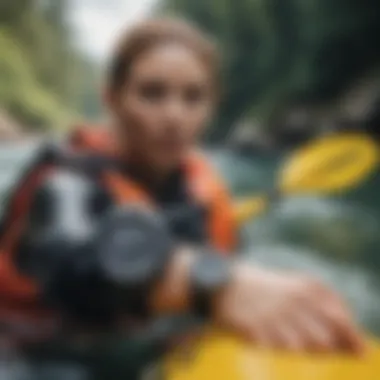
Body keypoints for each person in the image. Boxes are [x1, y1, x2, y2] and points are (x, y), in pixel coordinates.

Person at [0, 18, 364, 379]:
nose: (175, 116)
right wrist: (216, 287)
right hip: (30, 353)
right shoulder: (62, 183)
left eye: (193, 97)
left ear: (211, 107)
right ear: (111, 98)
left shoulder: (202, 191)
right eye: (152, 93)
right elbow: (72, 265)